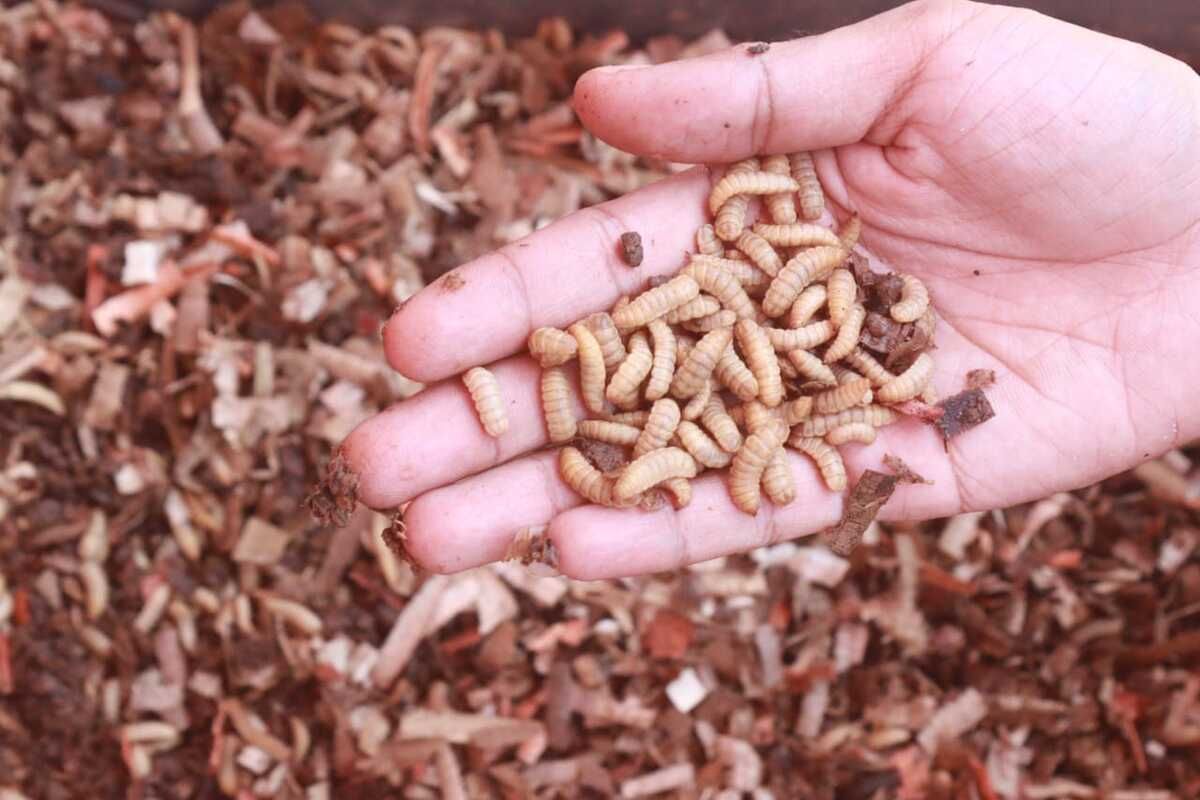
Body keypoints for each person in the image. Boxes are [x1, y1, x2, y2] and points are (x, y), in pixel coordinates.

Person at [337, 0, 1200, 579]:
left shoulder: (798, 339)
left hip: (764, 353)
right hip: (739, 355)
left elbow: (771, 403)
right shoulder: (732, 332)